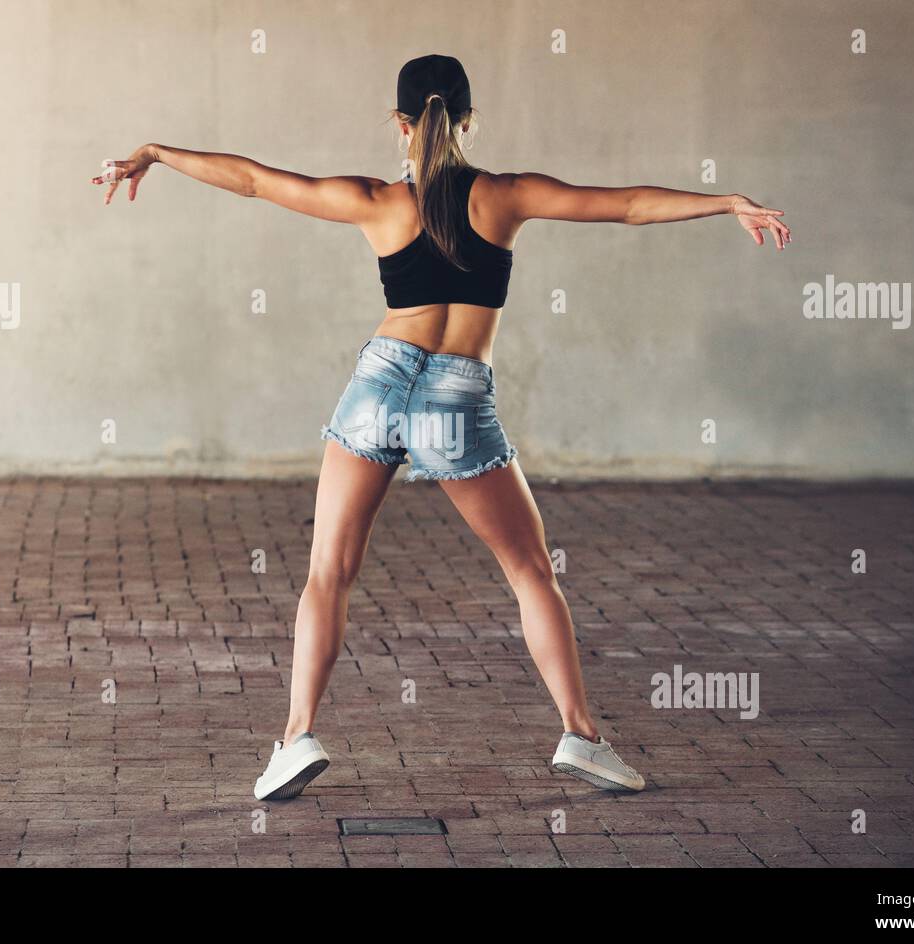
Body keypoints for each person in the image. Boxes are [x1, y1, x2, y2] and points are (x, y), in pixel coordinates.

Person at [92, 54, 791, 801]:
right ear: (469, 120)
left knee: (329, 570)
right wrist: (725, 202)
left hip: (378, 382)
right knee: (530, 571)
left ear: (399, 124)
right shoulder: (506, 196)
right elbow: (623, 204)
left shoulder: (377, 202)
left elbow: (259, 180)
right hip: (456, 398)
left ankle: (295, 737)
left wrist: (158, 153)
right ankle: (581, 736)